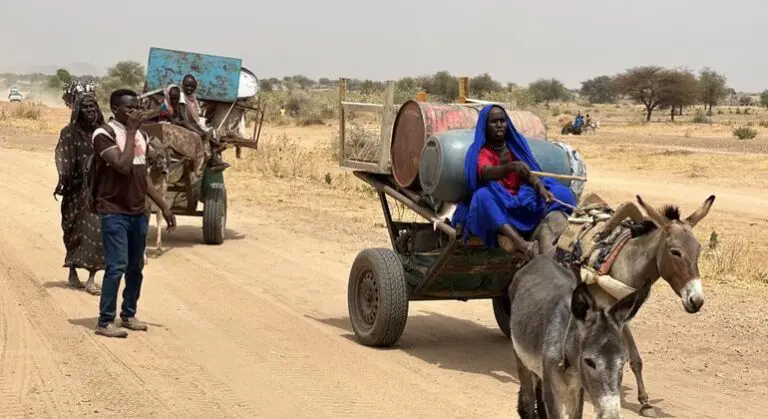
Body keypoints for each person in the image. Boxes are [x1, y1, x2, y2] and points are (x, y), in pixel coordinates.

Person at [90, 88, 177, 338]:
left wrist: (163, 205)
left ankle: (128, 314)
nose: (136, 113)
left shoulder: (140, 135)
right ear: (116, 110)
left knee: (136, 267)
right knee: (117, 265)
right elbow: (123, 165)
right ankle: (105, 320)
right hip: (113, 210)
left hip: (137, 211)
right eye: (130, 109)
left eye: (138, 107)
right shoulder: (103, 134)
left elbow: (142, 175)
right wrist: (129, 132)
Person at [451, 105, 576, 260]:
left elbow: (528, 172)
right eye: (494, 121)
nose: (499, 125)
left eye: (502, 121)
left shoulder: (515, 144)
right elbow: (486, 172)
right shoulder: (480, 151)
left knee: (562, 193)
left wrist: (539, 187)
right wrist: (511, 167)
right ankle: (523, 245)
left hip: (522, 196)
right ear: (485, 125)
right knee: (481, 197)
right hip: (500, 199)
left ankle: (540, 226)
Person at [54, 93, 106, 295]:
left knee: (95, 232)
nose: (91, 111)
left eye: (93, 107)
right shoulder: (69, 133)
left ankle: (92, 278)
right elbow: (63, 160)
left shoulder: (102, 133)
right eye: (86, 108)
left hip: (97, 191)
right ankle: (73, 272)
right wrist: (64, 182)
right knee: (72, 230)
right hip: (74, 190)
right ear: (78, 112)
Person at [178, 74, 230, 171]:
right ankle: (213, 157)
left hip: (195, 121)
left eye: (192, 86)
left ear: (195, 87)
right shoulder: (182, 96)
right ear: (182, 85)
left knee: (212, 131)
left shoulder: (192, 96)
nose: (189, 88)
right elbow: (184, 116)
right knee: (205, 134)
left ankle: (213, 157)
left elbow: (198, 112)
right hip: (187, 123)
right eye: (187, 86)